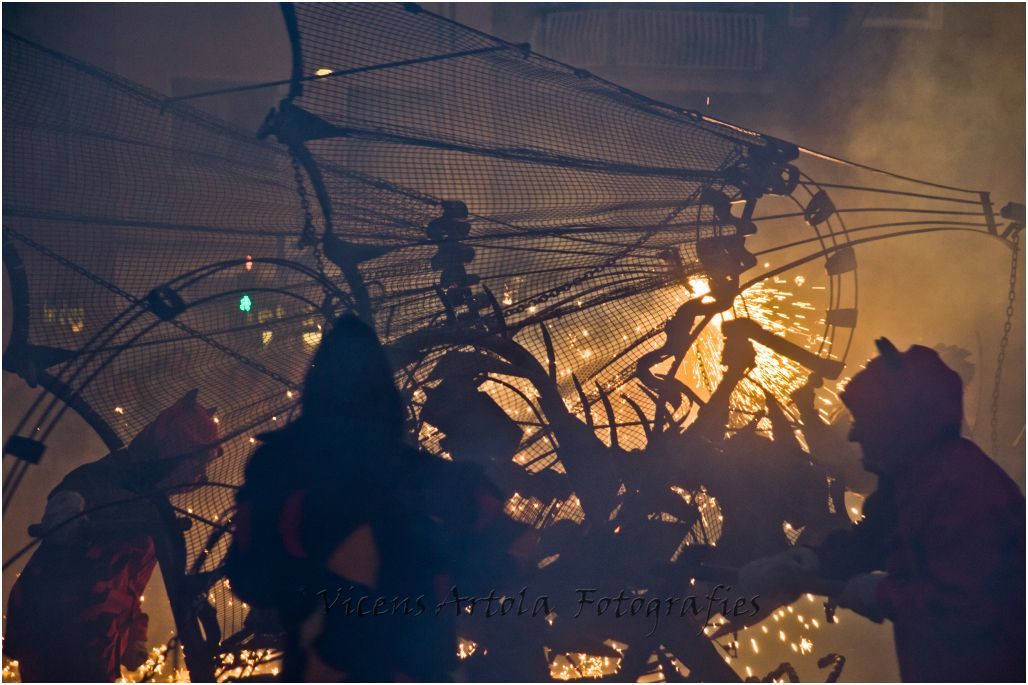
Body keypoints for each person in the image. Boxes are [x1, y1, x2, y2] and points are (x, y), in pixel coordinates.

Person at [225, 314, 531, 682]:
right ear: (384, 392)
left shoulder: (277, 467)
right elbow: (510, 547)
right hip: (416, 667)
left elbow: (250, 578)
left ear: (317, 387)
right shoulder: (427, 476)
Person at [739, 339, 1025, 682]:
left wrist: (883, 594)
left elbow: (971, 604)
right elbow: (871, 542)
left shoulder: (963, 489)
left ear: (896, 425)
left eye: (864, 420)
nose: (853, 434)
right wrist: (812, 560)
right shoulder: (909, 481)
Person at [3, 390, 222, 682]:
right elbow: (63, 523)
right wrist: (68, 513)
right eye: (196, 463)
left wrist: (134, 635)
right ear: (172, 453)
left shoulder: (153, 503)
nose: (199, 473)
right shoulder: (99, 480)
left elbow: (127, 583)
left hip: (97, 643)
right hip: (56, 635)